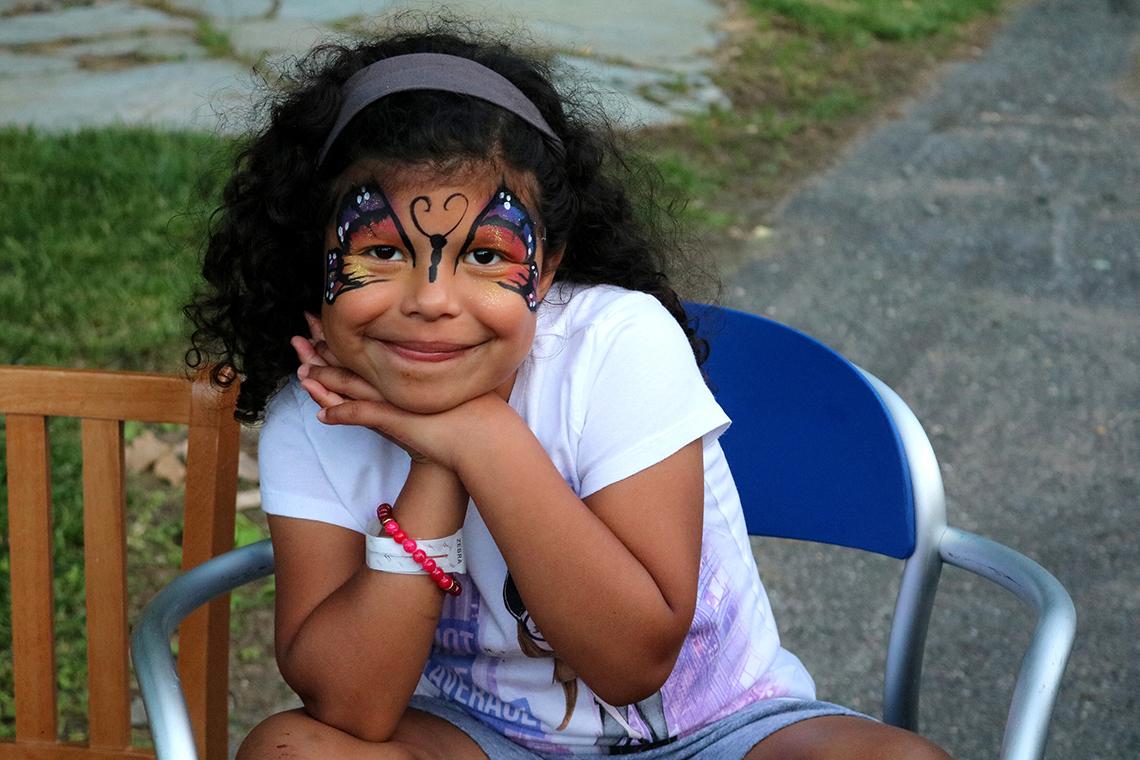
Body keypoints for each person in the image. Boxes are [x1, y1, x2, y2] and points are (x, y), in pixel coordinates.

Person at [185, 22, 953, 760]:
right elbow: (354, 708)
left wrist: (479, 435)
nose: (431, 299)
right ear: (311, 257)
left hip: (724, 731)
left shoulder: (618, 343)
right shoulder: (311, 414)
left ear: (546, 268)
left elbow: (631, 664)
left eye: (485, 255)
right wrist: (436, 466)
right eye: (381, 249)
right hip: (472, 736)